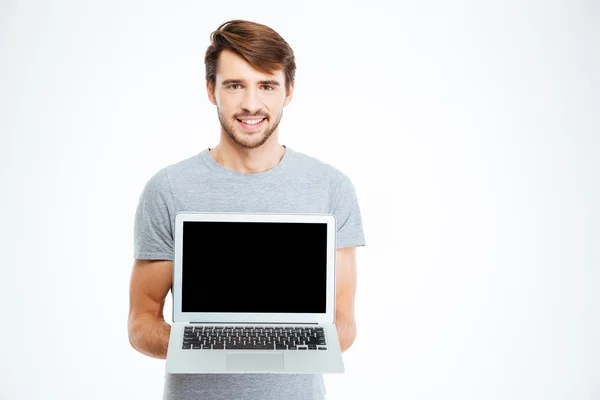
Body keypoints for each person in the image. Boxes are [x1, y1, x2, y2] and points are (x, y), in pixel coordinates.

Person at [128, 19, 366, 400]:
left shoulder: (330, 188)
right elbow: (141, 323)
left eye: (266, 85)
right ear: (211, 90)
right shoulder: (169, 190)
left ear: (288, 91)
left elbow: (344, 323)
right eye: (235, 85)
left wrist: (284, 344)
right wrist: (208, 345)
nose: (251, 104)